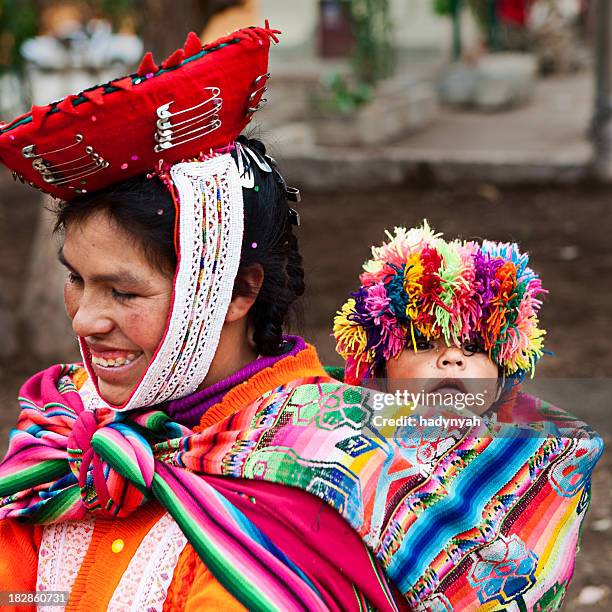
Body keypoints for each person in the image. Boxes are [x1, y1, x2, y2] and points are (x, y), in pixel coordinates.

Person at [0, 25, 406, 611]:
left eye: (123, 292)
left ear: (237, 291)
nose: (85, 321)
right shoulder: (63, 428)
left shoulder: (310, 474)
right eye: (77, 280)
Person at [333, 221, 604, 610]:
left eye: (474, 346)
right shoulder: (343, 445)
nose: (452, 357)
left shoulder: (540, 461)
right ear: (377, 367)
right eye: (423, 342)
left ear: (502, 379)